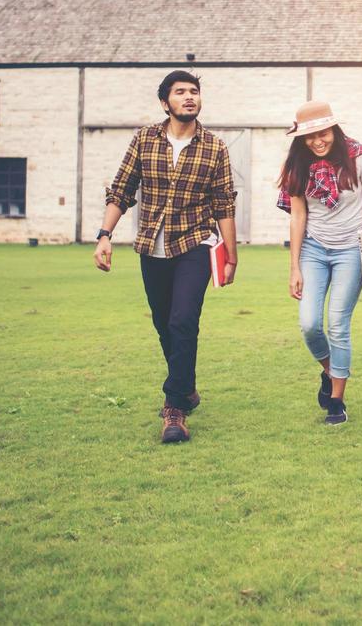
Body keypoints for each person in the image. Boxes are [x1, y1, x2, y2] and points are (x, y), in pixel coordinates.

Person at [93, 70, 237, 445]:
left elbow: (224, 204)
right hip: (151, 246)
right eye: (180, 92)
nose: (189, 97)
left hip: (195, 243)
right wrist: (104, 236)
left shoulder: (215, 147)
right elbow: (122, 190)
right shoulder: (144, 140)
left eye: (194, 91)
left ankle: (175, 409)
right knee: (164, 324)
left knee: (183, 320)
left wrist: (231, 256)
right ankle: (186, 388)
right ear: (165, 102)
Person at [276, 101, 362, 425]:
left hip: (352, 250)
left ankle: (337, 401)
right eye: (309, 136)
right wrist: (294, 266)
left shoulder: (360, 158)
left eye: (322, 133)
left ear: (334, 130)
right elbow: (298, 215)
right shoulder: (297, 165)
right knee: (309, 323)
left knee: (337, 324)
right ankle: (331, 372)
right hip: (314, 248)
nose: (317, 141)